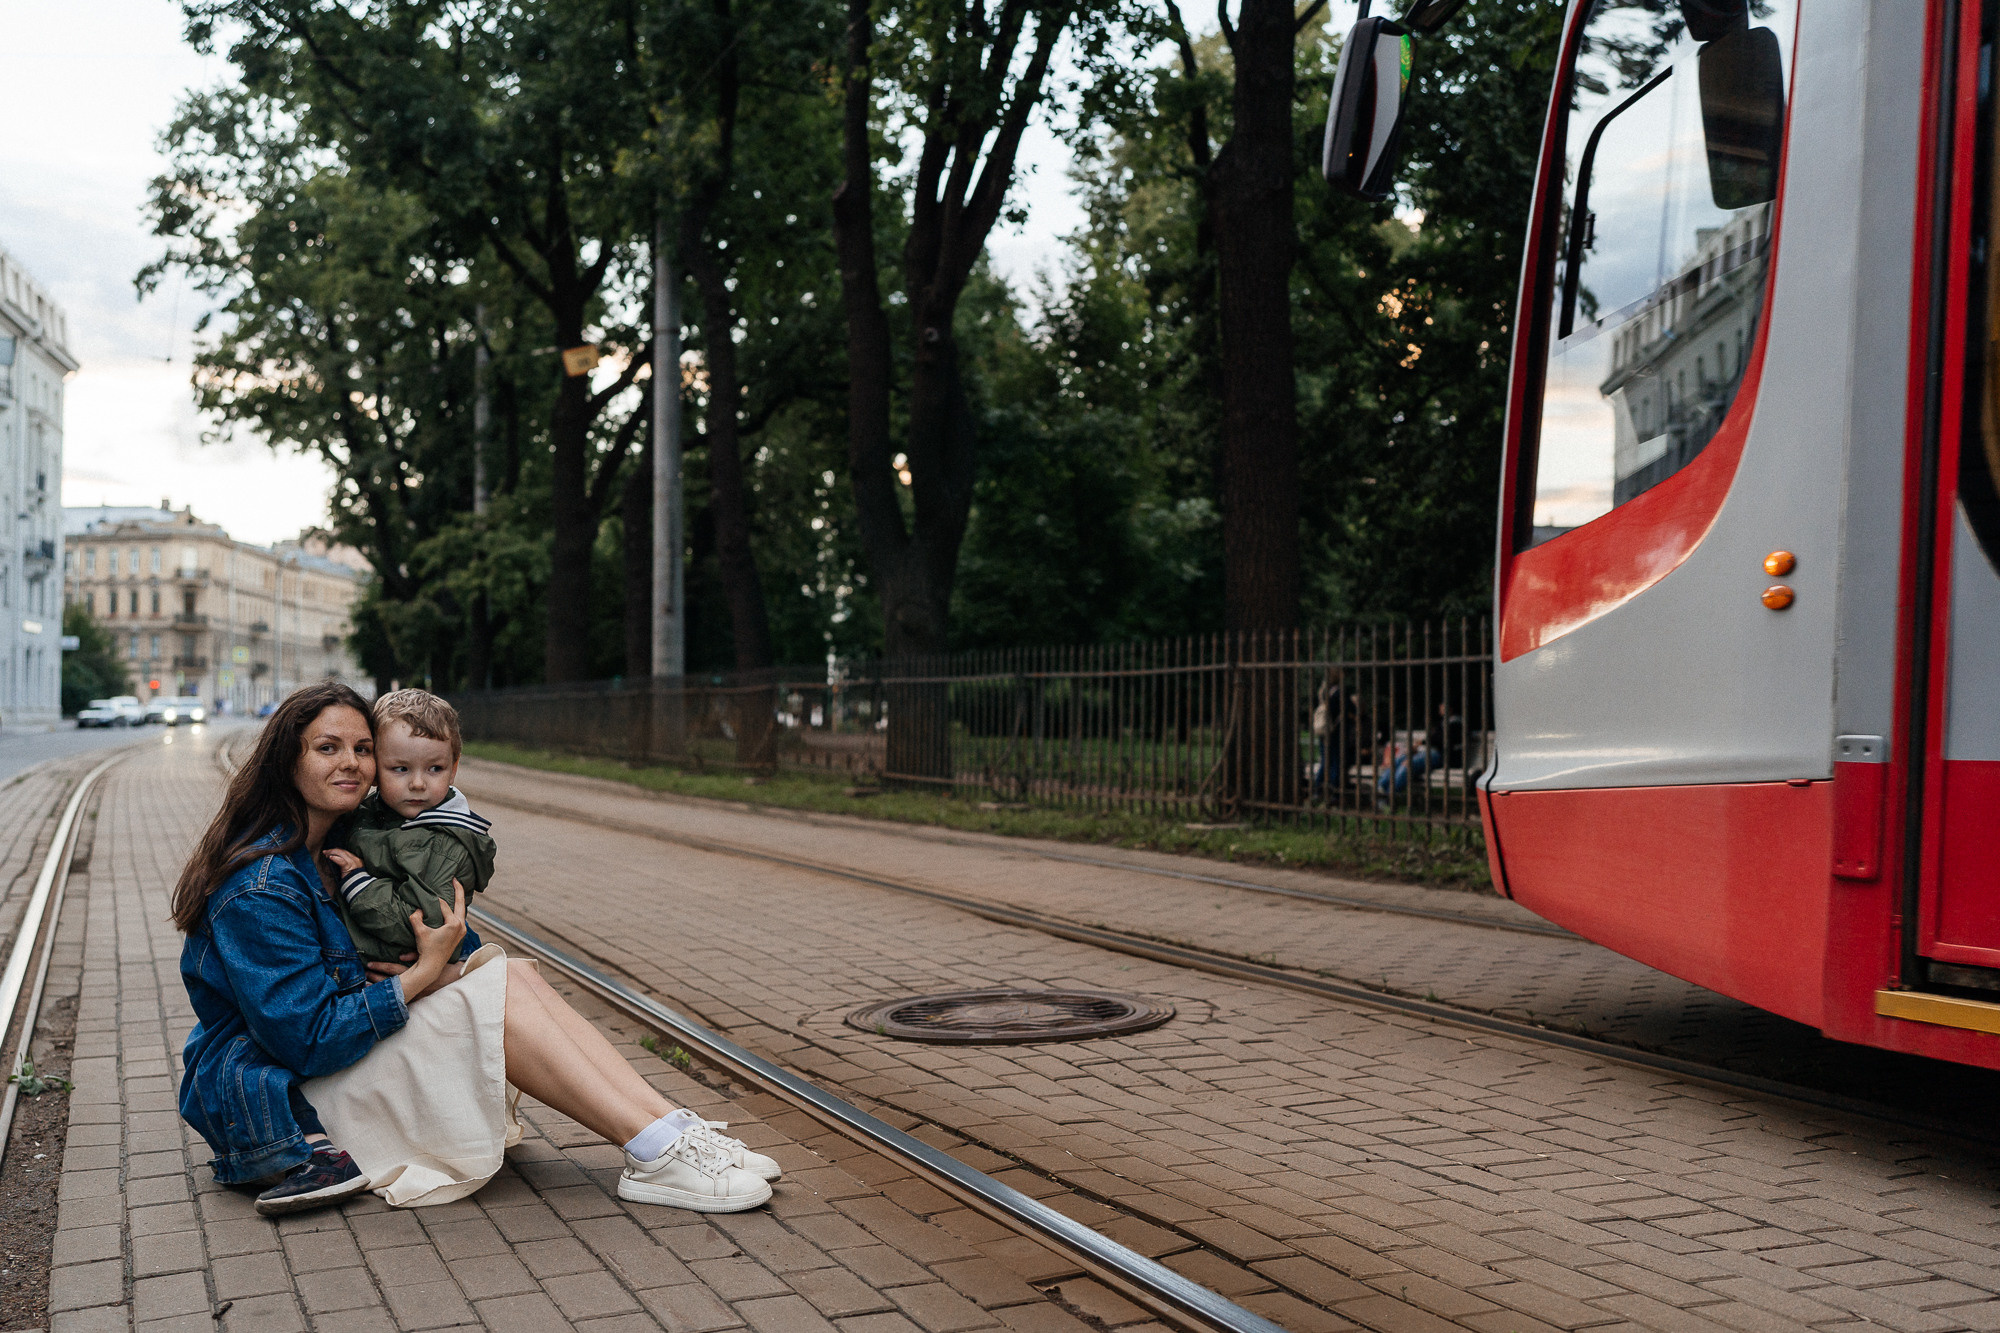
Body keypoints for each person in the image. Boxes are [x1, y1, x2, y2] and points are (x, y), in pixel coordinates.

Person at [172, 682, 781, 1217]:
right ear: (287, 761)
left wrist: (445, 968)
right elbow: (306, 1035)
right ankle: (651, 1152)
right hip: (280, 1102)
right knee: (491, 986)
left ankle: (672, 1132)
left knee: (510, 975)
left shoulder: (340, 854)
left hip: (325, 1066)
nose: (352, 764)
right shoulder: (261, 887)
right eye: (327, 748)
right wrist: (430, 972)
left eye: (363, 749)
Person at [323, 689, 496, 964]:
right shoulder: (372, 813)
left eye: (435, 769)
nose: (418, 784)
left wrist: (357, 883)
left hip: (392, 966)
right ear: (375, 768)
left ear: (454, 767)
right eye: (401, 769)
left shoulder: (443, 842)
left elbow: (427, 926)